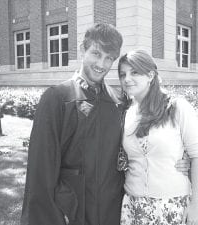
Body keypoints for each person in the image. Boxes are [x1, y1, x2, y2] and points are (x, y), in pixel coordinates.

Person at [21, 23, 125, 225]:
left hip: (110, 212)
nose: (101, 64)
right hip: (71, 213)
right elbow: (40, 171)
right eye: (96, 53)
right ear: (82, 50)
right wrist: (57, 214)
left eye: (109, 58)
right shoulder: (57, 98)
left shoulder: (117, 102)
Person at [118, 49, 198, 225]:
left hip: (172, 206)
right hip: (134, 207)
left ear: (150, 75)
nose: (127, 79)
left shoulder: (177, 107)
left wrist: (196, 206)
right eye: (123, 74)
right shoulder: (127, 113)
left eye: (134, 72)